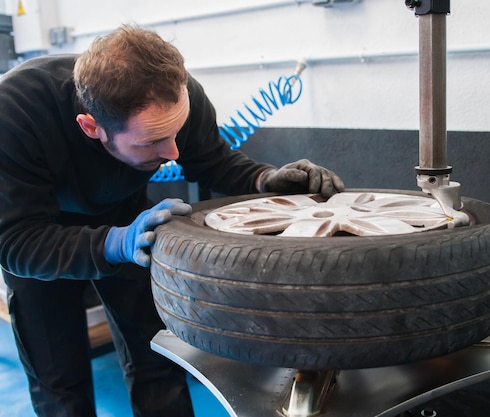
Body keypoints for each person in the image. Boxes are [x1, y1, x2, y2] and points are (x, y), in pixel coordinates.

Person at [0, 24, 344, 417]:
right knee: (58, 381)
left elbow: (211, 160)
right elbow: (16, 241)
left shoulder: (177, 93)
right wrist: (114, 244)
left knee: (157, 360)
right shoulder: (15, 114)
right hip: (41, 233)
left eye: (176, 131)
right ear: (91, 127)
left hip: (129, 217)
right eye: (152, 142)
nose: (173, 151)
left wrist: (264, 178)